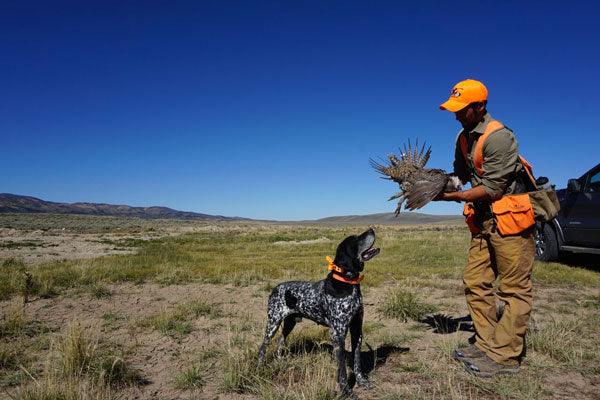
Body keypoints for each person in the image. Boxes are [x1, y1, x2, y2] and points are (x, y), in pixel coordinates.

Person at [436, 79, 535, 377]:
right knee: (475, 281)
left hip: (510, 216)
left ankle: (505, 356)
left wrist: (451, 197)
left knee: (513, 289)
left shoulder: (499, 137)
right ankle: (487, 341)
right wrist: (427, 184)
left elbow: (493, 187)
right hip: (482, 219)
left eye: (462, 110)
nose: (456, 115)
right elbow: (460, 175)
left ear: (480, 107)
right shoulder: (463, 138)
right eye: (454, 109)